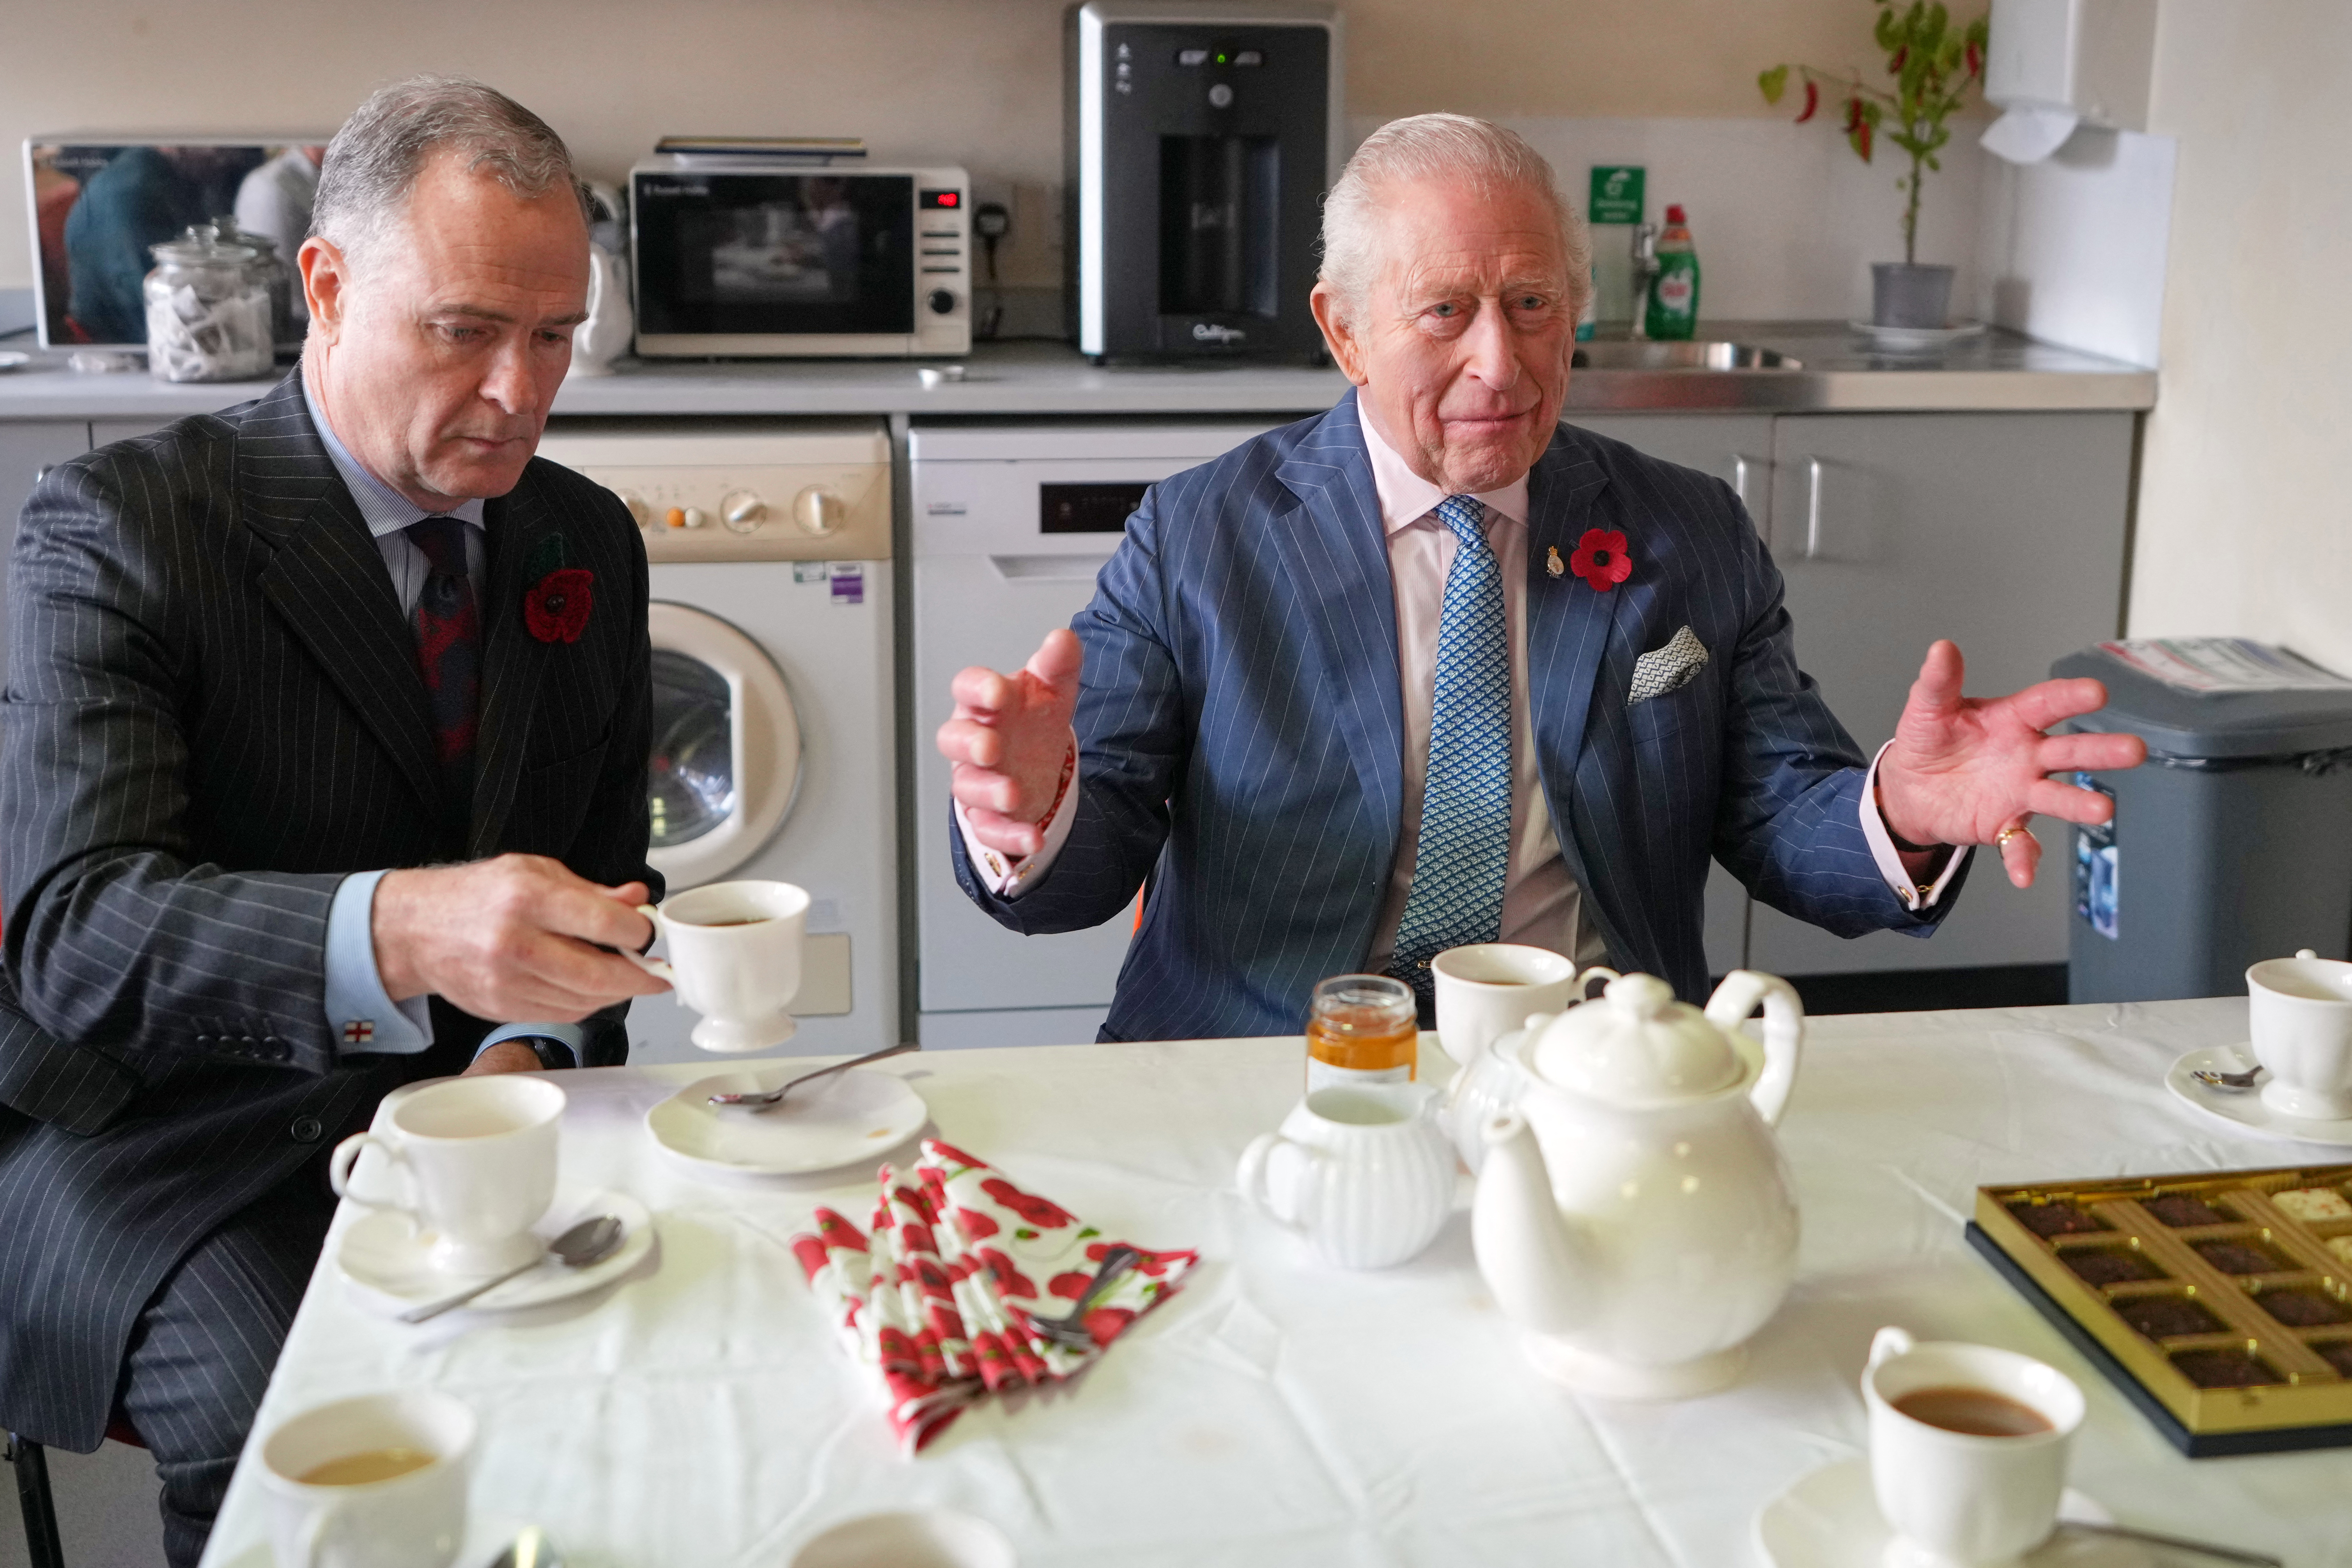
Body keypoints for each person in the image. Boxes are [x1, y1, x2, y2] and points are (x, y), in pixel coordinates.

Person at [938, 114, 2147, 1040]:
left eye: (1530, 305)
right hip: (1277, 1067)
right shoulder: (1198, 536)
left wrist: (1898, 810)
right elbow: (1077, 875)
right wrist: (1031, 810)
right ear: (1345, 329)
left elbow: (1781, 814)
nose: (1498, 361)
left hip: (1592, 1067)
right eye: (1445, 311)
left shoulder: (1688, 531)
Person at [0, 77, 668, 1566]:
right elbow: (73, 934)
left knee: (652, 1363)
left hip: (474, 1127)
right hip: (167, 1140)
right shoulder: (121, 525)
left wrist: (524, 1049)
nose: (521, 391)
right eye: (465, 329)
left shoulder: (582, 538)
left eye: (554, 335)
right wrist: (414, 926)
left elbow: (613, 882)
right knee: (309, 1434)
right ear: (326, 285)